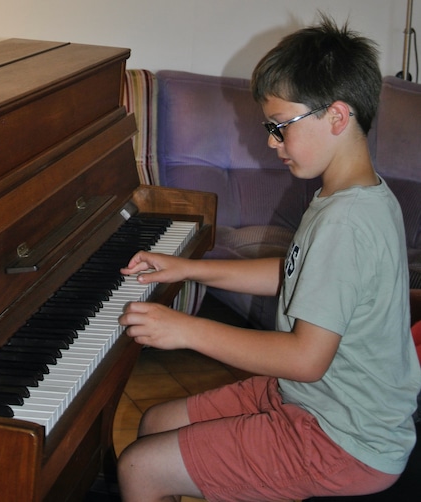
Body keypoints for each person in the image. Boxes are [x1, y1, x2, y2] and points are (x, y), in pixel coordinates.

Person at [116, 15, 421, 502]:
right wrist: (188, 267)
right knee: (155, 422)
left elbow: (305, 359)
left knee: (140, 468)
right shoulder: (351, 195)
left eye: (280, 127)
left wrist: (185, 330)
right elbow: (295, 273)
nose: (271, 142)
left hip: (343, 438)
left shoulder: (347, 221)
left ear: (337, 117)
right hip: (315, 402)